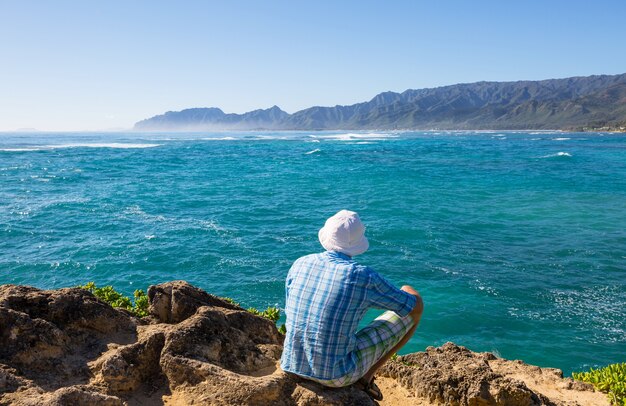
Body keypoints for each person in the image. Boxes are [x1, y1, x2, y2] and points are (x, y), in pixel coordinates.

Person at [280, 210, 424, 400]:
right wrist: (408, 290)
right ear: (357, 243)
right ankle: (366, 378)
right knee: (415, 305)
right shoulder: (363, 276)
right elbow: (409, 306)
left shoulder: (299, 263)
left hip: (291, 363)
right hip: (335, 376)